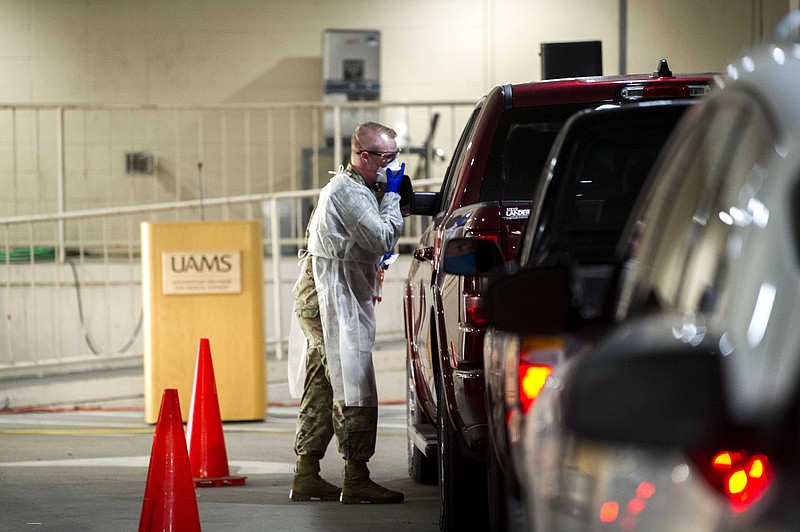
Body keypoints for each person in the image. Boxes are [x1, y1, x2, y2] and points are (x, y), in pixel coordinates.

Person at [287, 122, 405, 504]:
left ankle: (306, 474)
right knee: (353, 379)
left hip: (331, 294)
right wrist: (392, 197)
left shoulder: (357, 188)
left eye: (395, 157)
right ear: (364, 157)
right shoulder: (346, 191)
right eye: (386, 159)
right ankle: (356, 476)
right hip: (327, 299)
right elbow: (382, 236)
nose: (392, 166)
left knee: (324, 383)